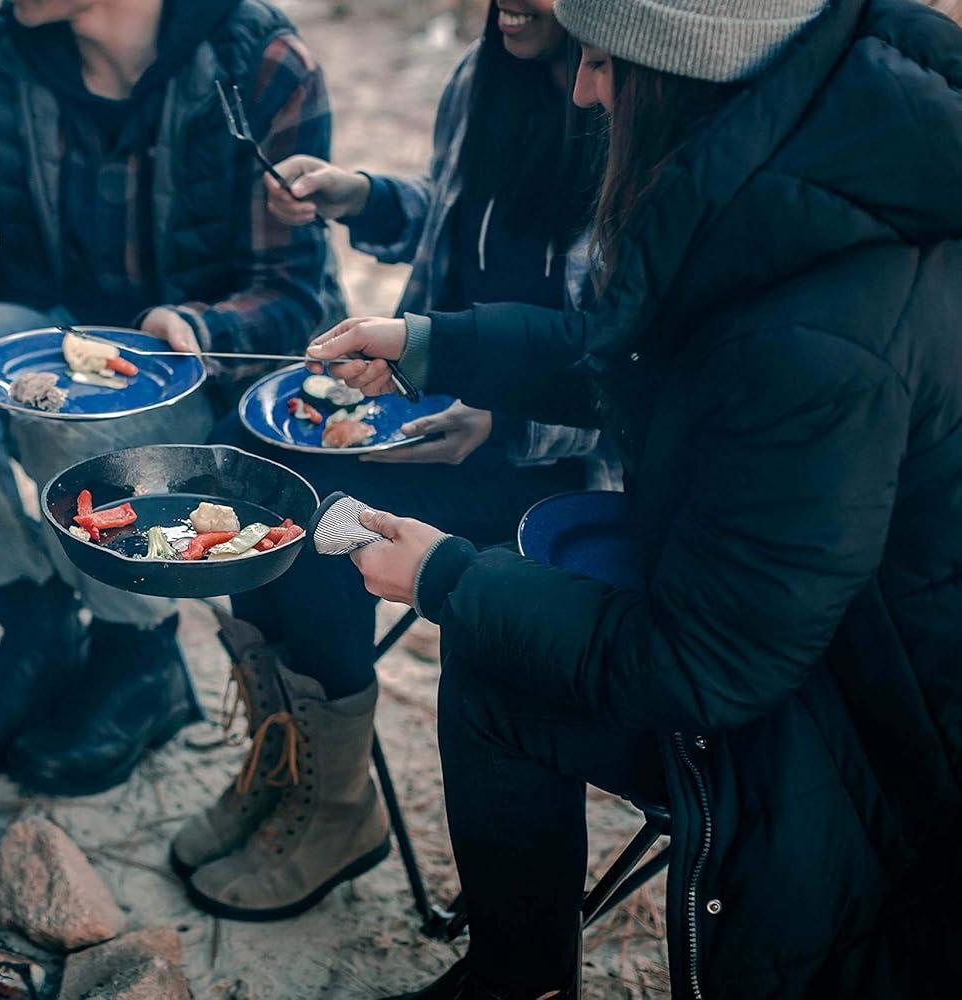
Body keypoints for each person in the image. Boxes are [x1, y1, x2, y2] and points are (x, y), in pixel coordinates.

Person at [311, 0, 962, 995]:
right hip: (799, 611)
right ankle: (520, 968)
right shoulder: (796, 172)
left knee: (494, 648)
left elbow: (707, 663)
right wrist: (433, 347)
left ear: (689, 74)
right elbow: (656, 359)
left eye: (606, 61)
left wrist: (445, 573)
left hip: (863, 733)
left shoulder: (825, 328)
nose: (582, 88)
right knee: (500, 640)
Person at [171, 0, 605, 921]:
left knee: (328, 508)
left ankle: (338, 809)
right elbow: (455, 219)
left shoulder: (625, 107)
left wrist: (509, 422)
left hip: (555, 458)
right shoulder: (477, 79)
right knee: (259, 460)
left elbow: (628, 365)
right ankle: (283, 760)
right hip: (438, 397)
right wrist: (361, 195)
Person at [0, 0, 342, 795]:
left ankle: (138, 656)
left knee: (79, 421)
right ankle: (36, 620)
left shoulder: (262, 64)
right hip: (45, 322)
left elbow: (292, 291)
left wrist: (194, 323)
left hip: (197, 370)